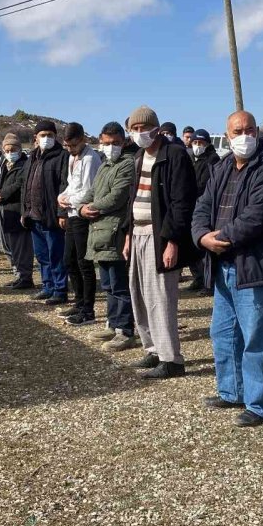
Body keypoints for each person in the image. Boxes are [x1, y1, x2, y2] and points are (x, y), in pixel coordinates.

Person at [192, 110, 263, 427]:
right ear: (227, 133)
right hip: (223, 263)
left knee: (256, 338)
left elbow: (258, 215)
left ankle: (260, 404)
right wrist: (201, 236)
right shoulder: (222, 166)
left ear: (258, 132)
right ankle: (232, 390)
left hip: (255, 265)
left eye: (250, 130)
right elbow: (203, 206)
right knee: (223, 333)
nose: (244, 136)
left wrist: (219, 238)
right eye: (237, 131)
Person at [124, 105, 200, 379]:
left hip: (160, 234)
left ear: (156, 128)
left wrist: (172, 241)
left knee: (161, 297)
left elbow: (182, 203)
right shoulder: (138, 156)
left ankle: (172, 359)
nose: (139, 133)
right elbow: (132, 199)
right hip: (138, 232)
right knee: (139, 295)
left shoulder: (175, 155)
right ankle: (153, 349)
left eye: (144, 128)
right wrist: (127, 234)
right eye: (134, 129)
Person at [82, 122, 138, 350]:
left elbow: (116, 197)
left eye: (115, 143)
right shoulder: (105, 165)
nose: (110, 147)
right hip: (98, 231)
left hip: (115, 231)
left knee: (119, 284)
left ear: (124, 142)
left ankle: (125, 330)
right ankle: (112, 323)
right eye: (106, 143)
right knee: (107, 283)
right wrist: (82, 207)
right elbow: (93, 192)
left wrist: (91, 207)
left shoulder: (127, 165)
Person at [56, 122, 102, 325]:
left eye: (73, 145)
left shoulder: (91, 158)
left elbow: (89, 190)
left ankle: (88, 309)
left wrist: (71, 201)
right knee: (69, 260)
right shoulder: (71, 158)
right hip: (71, 212)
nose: (70, 149)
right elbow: (71, 184)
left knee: (84, 263)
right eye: (67, 146)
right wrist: (62, 197)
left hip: (83, 214)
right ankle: (79, 300)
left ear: (82, 139)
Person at [23, 120, 69, 305]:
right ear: (36, 138)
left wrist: (61, 213)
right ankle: (47, 286)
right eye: (43, 135)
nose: (47, 138)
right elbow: (24, 186)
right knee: (42, 255)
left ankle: (60, 289)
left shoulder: (61, 156)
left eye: (50, 135)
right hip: (33, 215)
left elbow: (64, 186)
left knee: (56, 254)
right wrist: (24, 211)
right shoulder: (31, 158)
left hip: (51, 215)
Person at [0, 133, 34, 290]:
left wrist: (1, 194)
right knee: (8, 246)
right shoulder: (3, 164)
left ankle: (25, 276)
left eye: (13, 149)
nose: (10, 152)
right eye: (6, 149)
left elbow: (19, 184)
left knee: (21, 247)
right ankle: (17, 274)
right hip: (3, 211)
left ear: (20, 149)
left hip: (16, 209)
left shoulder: (25, 165)